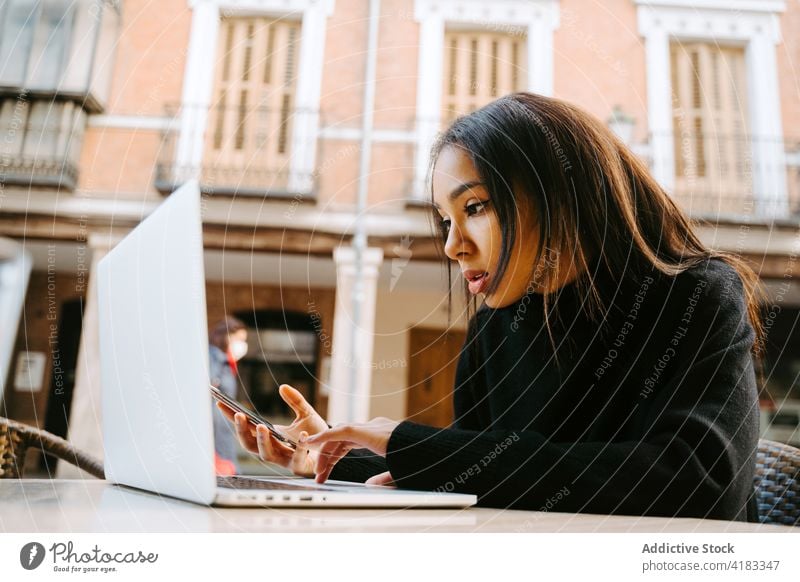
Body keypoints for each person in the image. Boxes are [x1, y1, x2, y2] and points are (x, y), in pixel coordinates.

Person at [217, 93, 765, 521]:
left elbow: (699, 483)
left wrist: (414, 444)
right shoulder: (494, 330)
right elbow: (482, 472)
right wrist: (325, 455)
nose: (454, 244)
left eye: (474, 206)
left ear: (560, 193)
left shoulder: (696, 297)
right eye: (445, 221)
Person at [209, 316, 249, 475]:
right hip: (216, 431)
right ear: (226, 336)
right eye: (239, 339)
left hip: (223, 428)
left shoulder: (226, 362)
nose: (242, 345)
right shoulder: (214, 359)